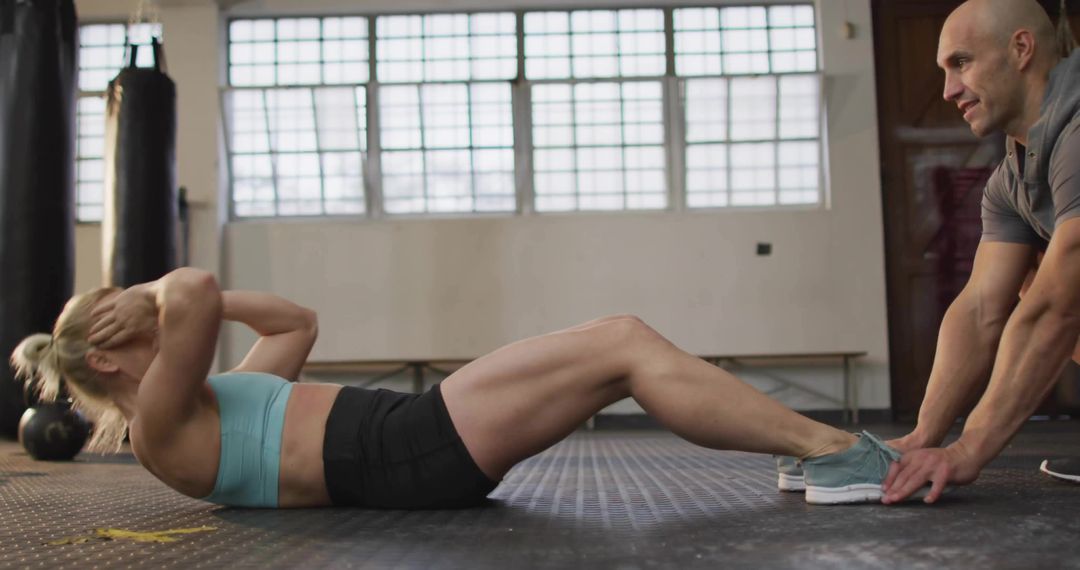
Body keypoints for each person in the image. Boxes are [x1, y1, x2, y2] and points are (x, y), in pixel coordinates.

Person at [13, 267, 908, 509]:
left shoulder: (210, 405)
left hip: (410, 436)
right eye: (147, 327)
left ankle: (811, 457)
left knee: (617, 346)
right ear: (112, 361)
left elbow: (295, 323)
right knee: (625, 346)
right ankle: (830, 453)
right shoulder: (159, 425)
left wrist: (151, 306)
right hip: (405, 451)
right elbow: (199, 290)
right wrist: (155, 295)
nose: (170, 327)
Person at [873, 0, 1080, 502]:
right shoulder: (1011, 180)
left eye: (961, 63)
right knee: (1028, 277)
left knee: (1053, 280)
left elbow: (1060, 304)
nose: (948, 91)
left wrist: (969, 450)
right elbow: (981, 306)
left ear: (1022, 48)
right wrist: (924, 436)